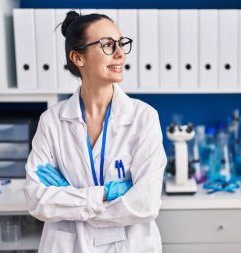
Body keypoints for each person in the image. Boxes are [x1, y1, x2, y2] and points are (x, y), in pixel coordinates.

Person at [23, 10, 167, 253]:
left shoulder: (143, 118)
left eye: (121, 44)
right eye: (108, 45)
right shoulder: (52, 122)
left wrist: (69, 198)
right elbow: (37, 201)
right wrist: (104, 195)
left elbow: (146, 204)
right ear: (78, 58)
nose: (120, 53)